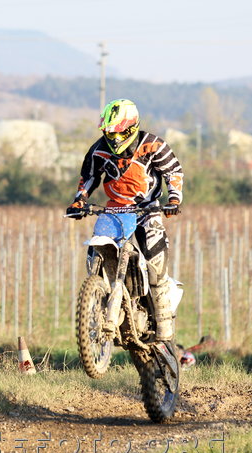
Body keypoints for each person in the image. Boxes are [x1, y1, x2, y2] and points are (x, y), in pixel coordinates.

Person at [66, 99, 183, 341]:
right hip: (114, 210)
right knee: (97, 248)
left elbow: (173, 173)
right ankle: (101, 297)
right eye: (110, 132)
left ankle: (163, 327)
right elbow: (88, 177)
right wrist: (79, 201)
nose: (114, 137)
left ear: (131, 128)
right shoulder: (98, 149)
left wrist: (174, 200)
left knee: (155, 263)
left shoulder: (154, 146)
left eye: (118, 132)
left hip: (148, 209)